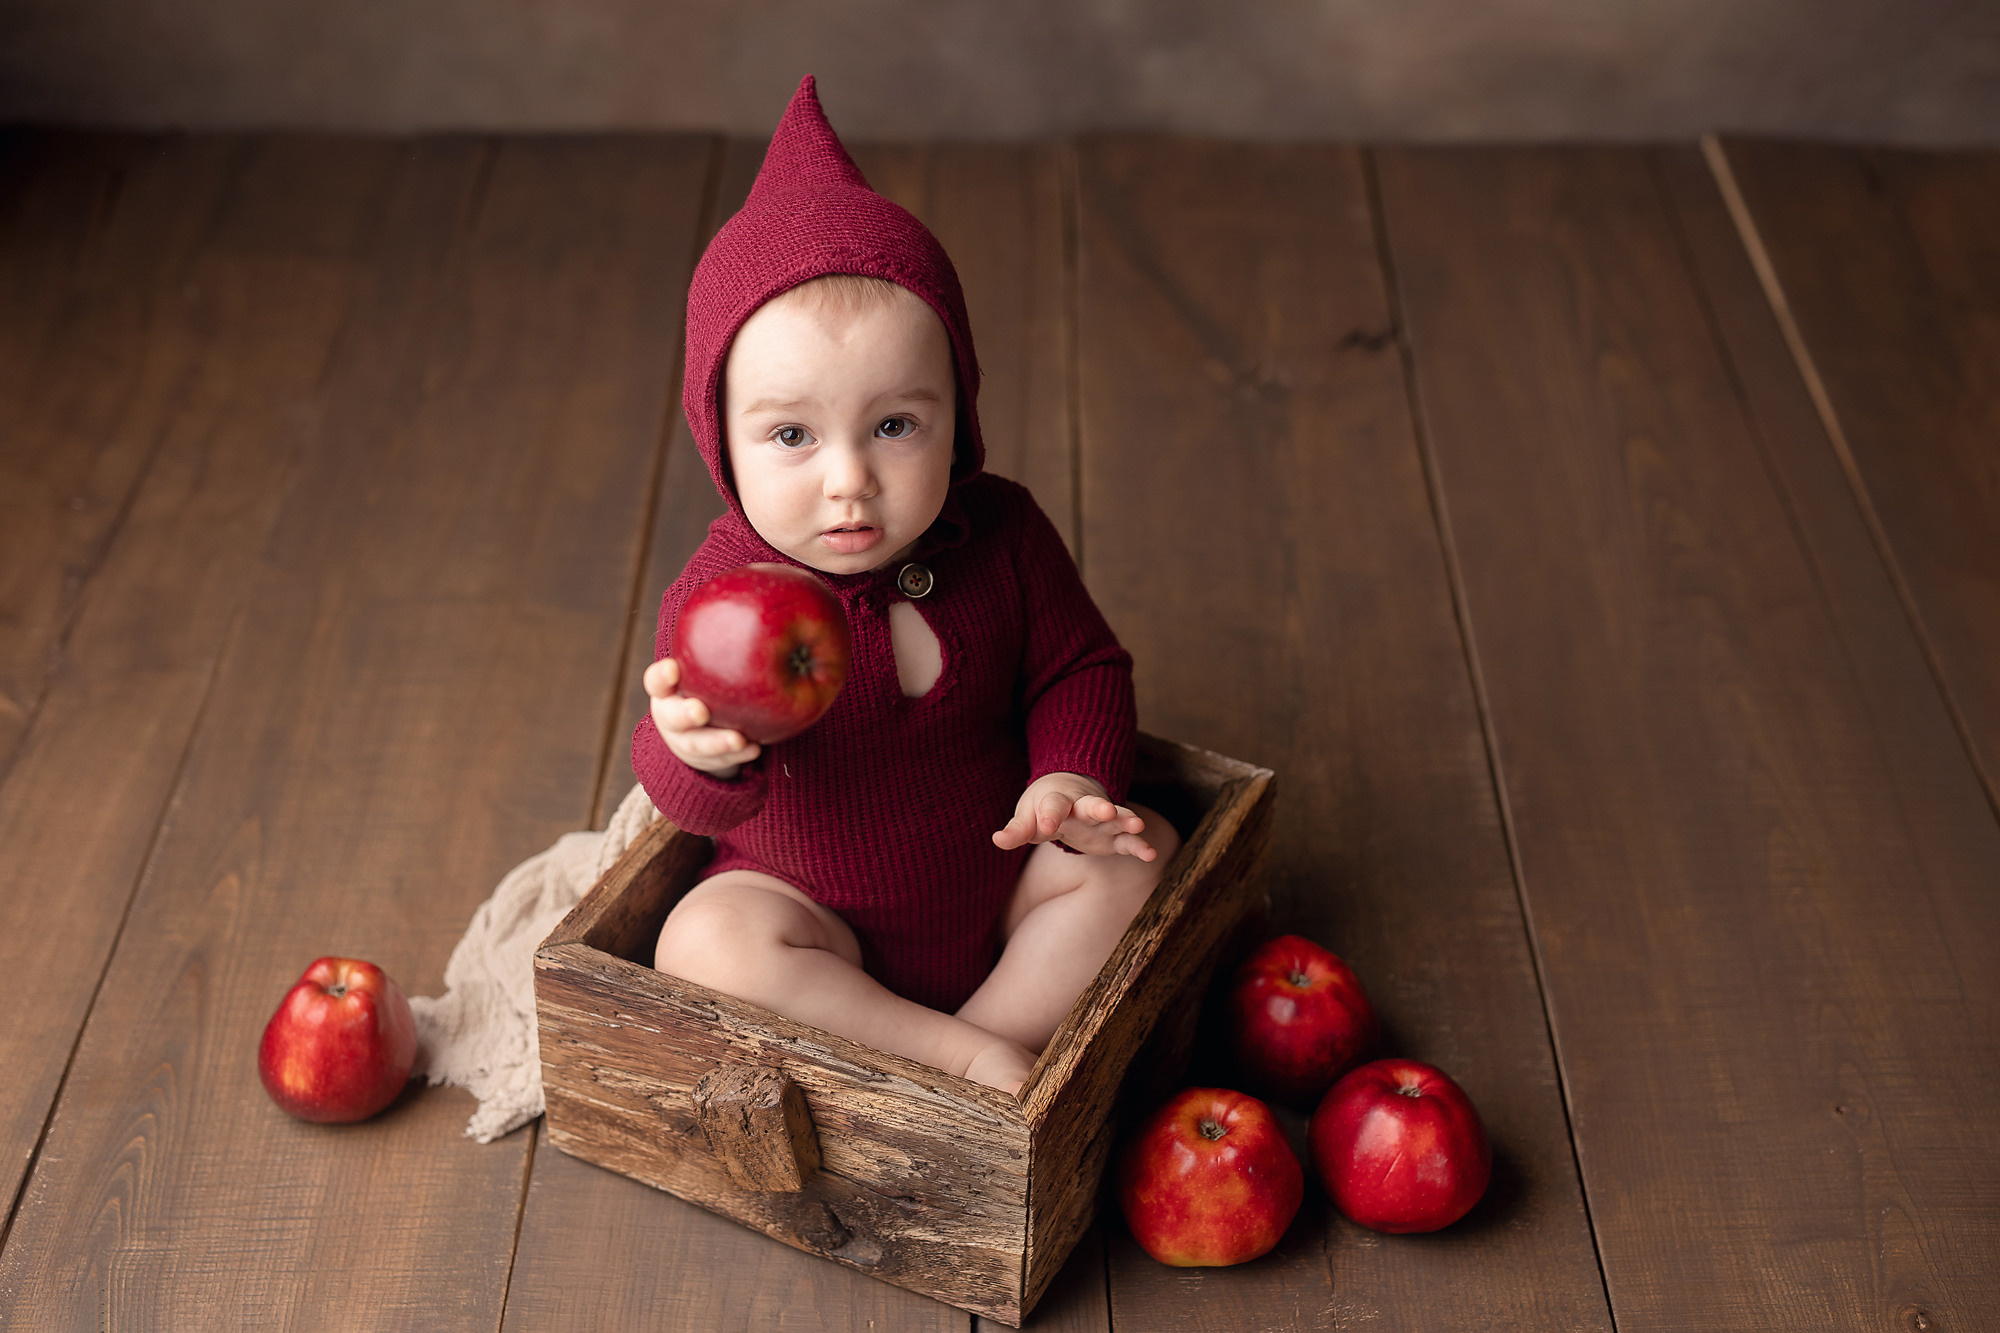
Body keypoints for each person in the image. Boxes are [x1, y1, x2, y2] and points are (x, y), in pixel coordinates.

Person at [633, 76, 1177, 1096]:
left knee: (1138, 860)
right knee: (706, 942)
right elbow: (686, 800)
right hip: (816, 921)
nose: (850, 478)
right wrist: (691, 749)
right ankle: (957, 1061)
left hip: (1002, 890)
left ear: (957, 416)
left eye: (893, 425)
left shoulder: (1003, 534)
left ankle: (976, 1040)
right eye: (792, 435)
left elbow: (1081, 667)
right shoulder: (721, 596)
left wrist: (1071, 781)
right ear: (722, 440)